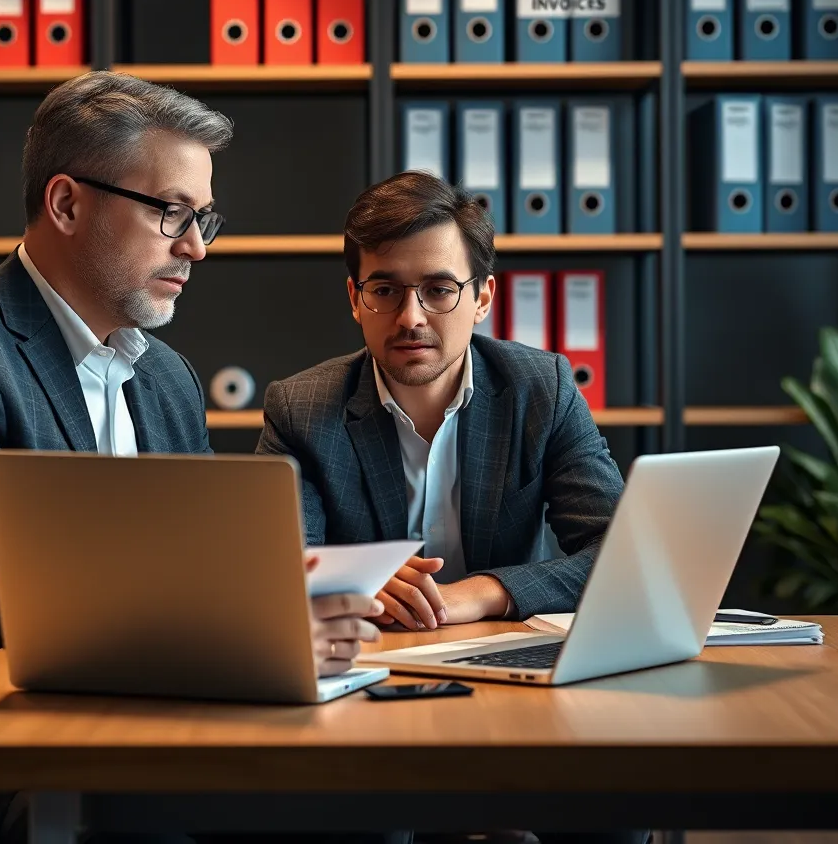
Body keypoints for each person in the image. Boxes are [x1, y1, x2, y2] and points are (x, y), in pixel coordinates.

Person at [0, 72, 387, 844]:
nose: (195, 246)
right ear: (66, 203)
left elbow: (199, 564)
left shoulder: (165, 376)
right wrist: (242, 628)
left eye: (204, 219)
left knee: (361, 805)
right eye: (170, 213)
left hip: (147, 718)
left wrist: (274, 604)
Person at [256, 170, 626, 631]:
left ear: (482, 298)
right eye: (385, 291)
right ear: (355, 299)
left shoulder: (542, 389)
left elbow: (620, 554)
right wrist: (354, 581)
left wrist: (482, 593)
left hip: (503, 659)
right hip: (369, 662)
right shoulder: (301, 408)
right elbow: (278, 567)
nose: (411, 318)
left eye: (439, 290)